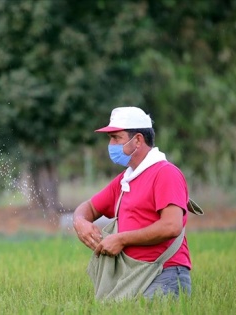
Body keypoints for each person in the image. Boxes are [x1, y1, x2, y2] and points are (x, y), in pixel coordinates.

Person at [73, 106, 192, 299]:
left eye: (116, 138)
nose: (111, 145)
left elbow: (172, 226)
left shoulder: (165, 173)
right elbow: (89, 207)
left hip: (163, 274)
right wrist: (80, 222)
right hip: (132, 276)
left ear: (137, 140)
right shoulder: (125, 180)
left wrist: (121, 239)